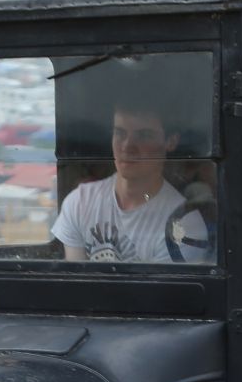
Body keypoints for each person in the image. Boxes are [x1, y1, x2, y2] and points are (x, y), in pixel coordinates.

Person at [52, 95, 210, 263]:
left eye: (144, 135)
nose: (127, 146)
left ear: (171, 141)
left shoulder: (184, 225)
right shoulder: (80, 202)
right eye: (120, 133)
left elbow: (163, 289)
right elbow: (76, 282)